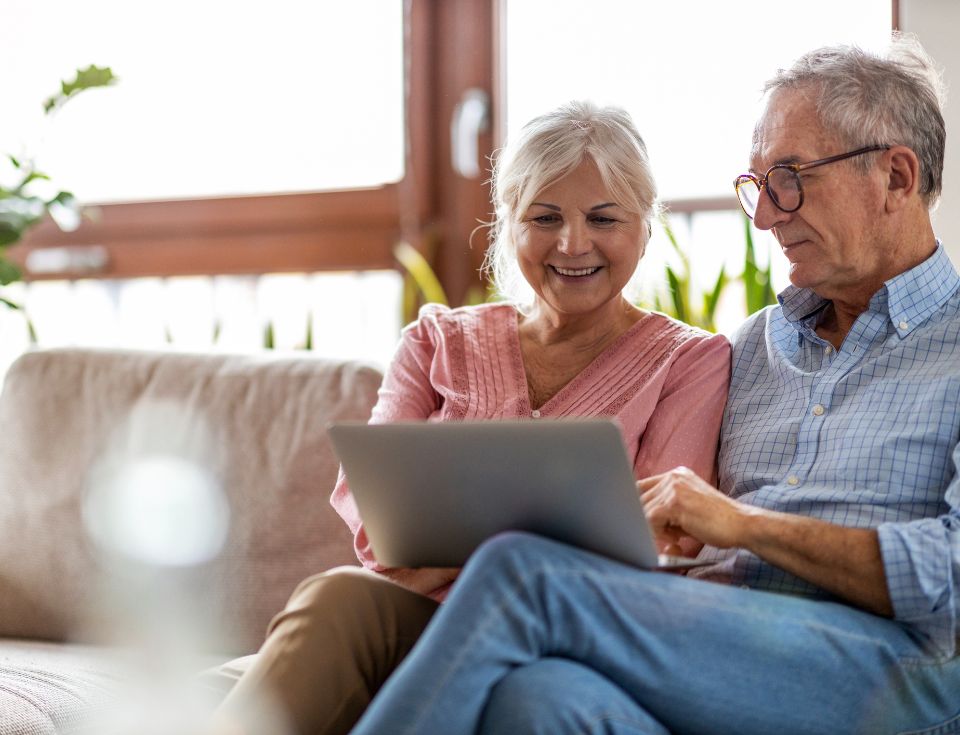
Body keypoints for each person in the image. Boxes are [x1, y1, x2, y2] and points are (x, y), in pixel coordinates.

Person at [349, 35, 960, 735]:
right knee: (538, 699)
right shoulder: (754, 346)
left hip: (885, 663)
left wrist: (741, 524)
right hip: (711, 639)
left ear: (898, 177)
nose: (764, 214)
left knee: (524, 572)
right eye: (758, 185)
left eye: (790, 177)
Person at [213, 101, 731, 735]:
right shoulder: (435, 340)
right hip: (421, 621)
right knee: (340, 594)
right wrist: (512, 548)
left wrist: (457, 558)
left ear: (646, 229)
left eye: (604, 218)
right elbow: (380, 526)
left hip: (563, 641)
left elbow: (652, 542)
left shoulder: (691, 361)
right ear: (507, 226)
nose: (573, 244)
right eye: (544, 217)